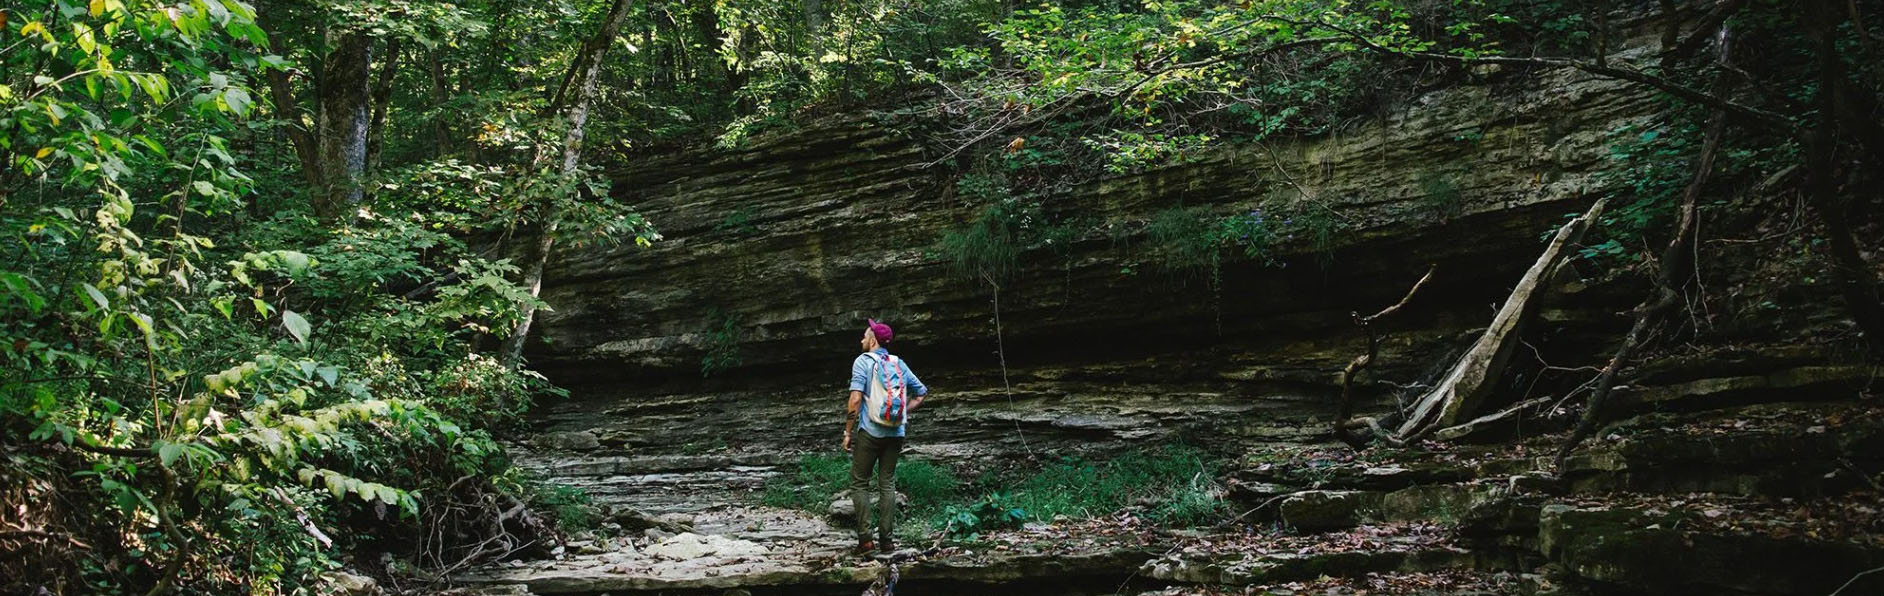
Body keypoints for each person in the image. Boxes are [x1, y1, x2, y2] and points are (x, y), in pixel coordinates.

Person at [844, 318, 928, 556]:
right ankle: (887, 541)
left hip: (870, 431)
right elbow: (921, 393)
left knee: (860, 482)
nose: (861, 340)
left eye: (864, 336)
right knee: (887, 483)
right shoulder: (898, 363)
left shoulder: (862, 362)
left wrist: (847, 432)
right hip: (896, 432)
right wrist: (903, 412)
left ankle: (866, 541)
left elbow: (855, 399)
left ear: (872, 340)